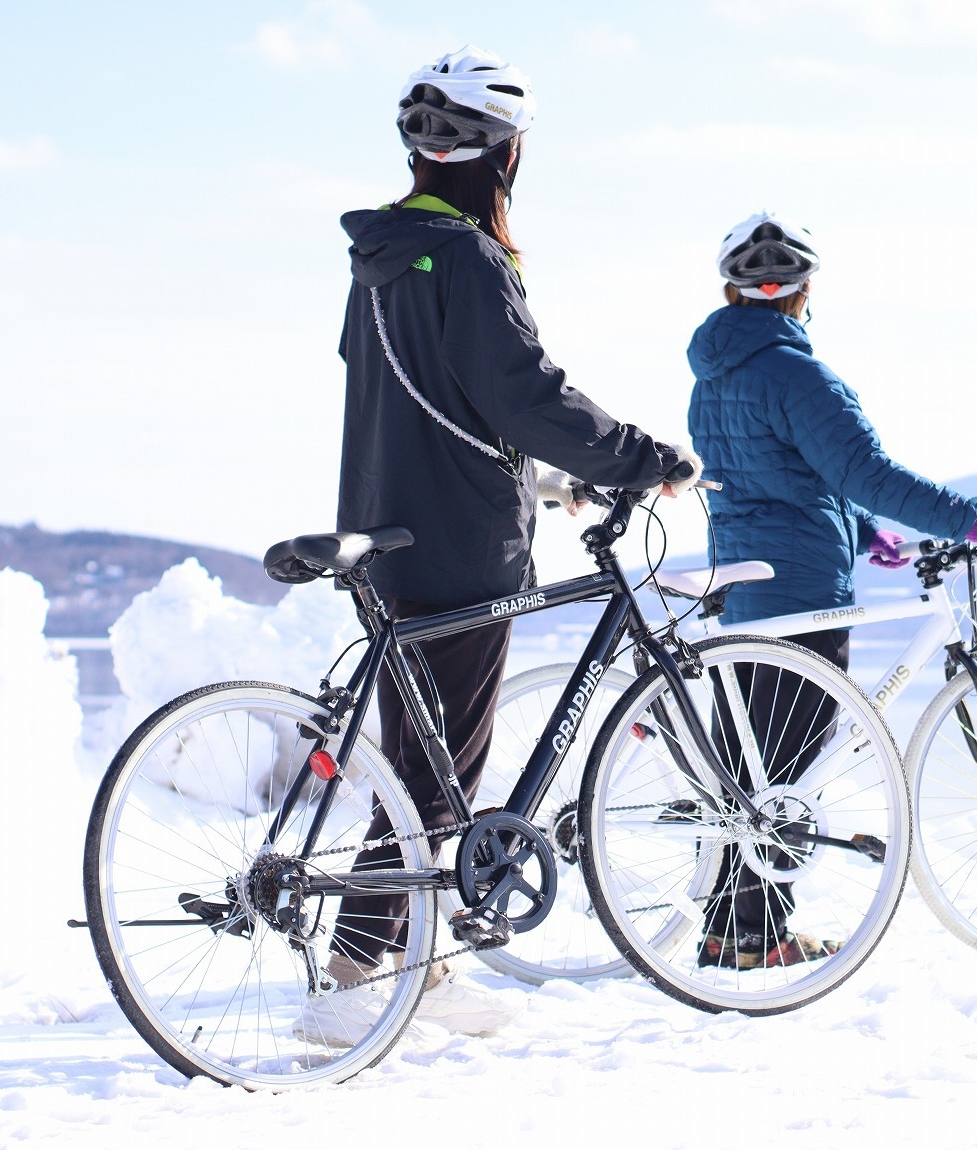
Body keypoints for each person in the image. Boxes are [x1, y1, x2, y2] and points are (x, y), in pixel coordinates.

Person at [297, 46, 701, 1045]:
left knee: (428, 764)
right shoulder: (469, 258)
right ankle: (355, 972)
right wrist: (639, 457)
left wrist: (543, 477)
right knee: (435, 777)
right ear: (502, 153)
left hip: (394, 525)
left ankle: (410, 970)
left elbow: (430, 401)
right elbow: (525, 391)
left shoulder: (386, 260)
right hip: (460, 540)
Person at [685, 212, 977, 968]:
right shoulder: (800, 375)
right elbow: (867, 473)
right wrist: (974, 521)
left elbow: (777, 475)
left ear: (731, 291)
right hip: (804, 591)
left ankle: (730, 930)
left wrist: (857, 529)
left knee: (748, 766)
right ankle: (757, 939)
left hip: (742, 581)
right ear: (804, 292)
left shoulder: (713, 376)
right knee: (788, 764)